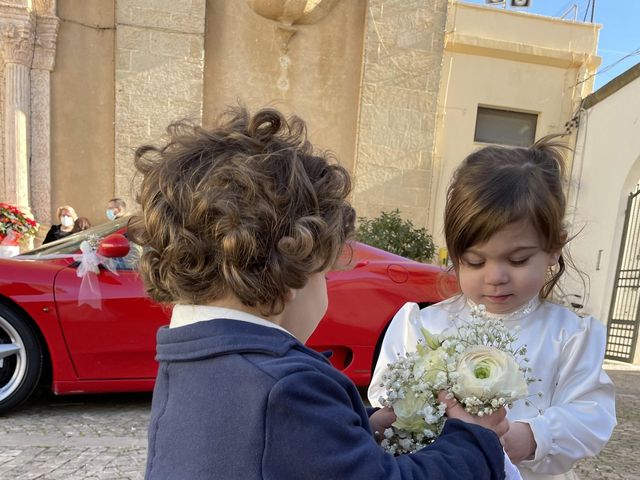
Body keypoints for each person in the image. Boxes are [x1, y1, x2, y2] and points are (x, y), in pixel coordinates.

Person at [128, 106, 509, 480]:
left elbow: (278, 455)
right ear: (297, 266)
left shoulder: (189, 359)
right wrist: (474, 439)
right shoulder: (284, 388)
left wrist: (361, 430)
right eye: (324, 274)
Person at [368, 137, 616, 480]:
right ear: (455, 256)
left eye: (518, 259)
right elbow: (387, 399)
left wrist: (528, 438)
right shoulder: (421, 325)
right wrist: (404, 416)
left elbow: (591, 414)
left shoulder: (569, 334)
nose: (496, 277)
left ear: (554, 247)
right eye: (475, 261)